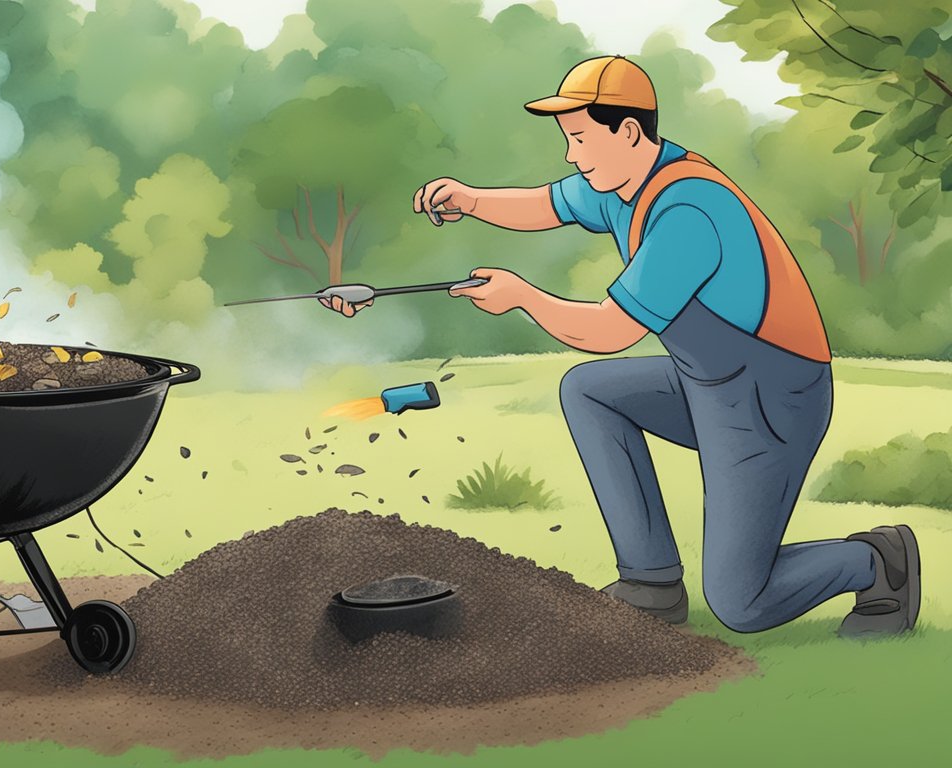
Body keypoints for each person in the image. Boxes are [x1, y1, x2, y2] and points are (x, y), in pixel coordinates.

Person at [321, 55, 919, 636]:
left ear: (628, 131)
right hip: (706, 386)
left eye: (578, 138)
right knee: (589, 392)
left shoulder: (688, 211)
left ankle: (877, 561)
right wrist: (470, 199)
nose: (570, 154)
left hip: (770, 402)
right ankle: (650, 582)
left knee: (743, 603)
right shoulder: (620, 182)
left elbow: (608, 331)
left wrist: (524, 296)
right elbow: (547, 205)